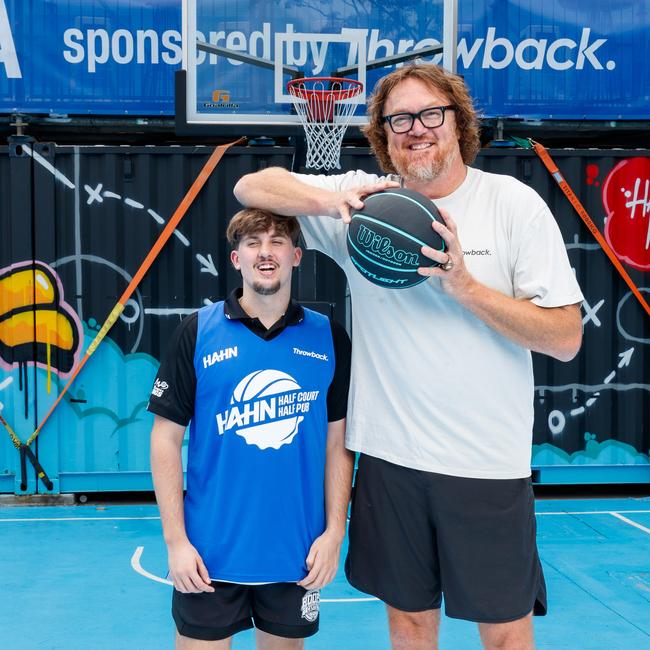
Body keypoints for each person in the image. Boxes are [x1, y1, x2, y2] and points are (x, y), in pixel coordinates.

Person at [233, 63, 584, 649]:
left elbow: (567, 338)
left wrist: (467, 288)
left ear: (457, 123)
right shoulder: (365, 207)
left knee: (503, 634)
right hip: (392, 461)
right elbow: (253, 187)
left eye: (429, 115)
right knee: (411, 626)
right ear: (382, 133)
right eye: (399, 119)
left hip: (485, 465)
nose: (414, 129)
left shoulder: (511, 204)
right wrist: (333, 198)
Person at [148, 208, 353, 649]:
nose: (266, 252)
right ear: (236, 259)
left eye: (277, 241)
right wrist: (176, 542)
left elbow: (338, 444)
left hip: (295, 554)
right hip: (208, 556)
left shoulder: (328, 337)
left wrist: (336, 532)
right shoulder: (197, 332)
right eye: (253, 242)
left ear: (297, 256)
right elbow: (165, 439)